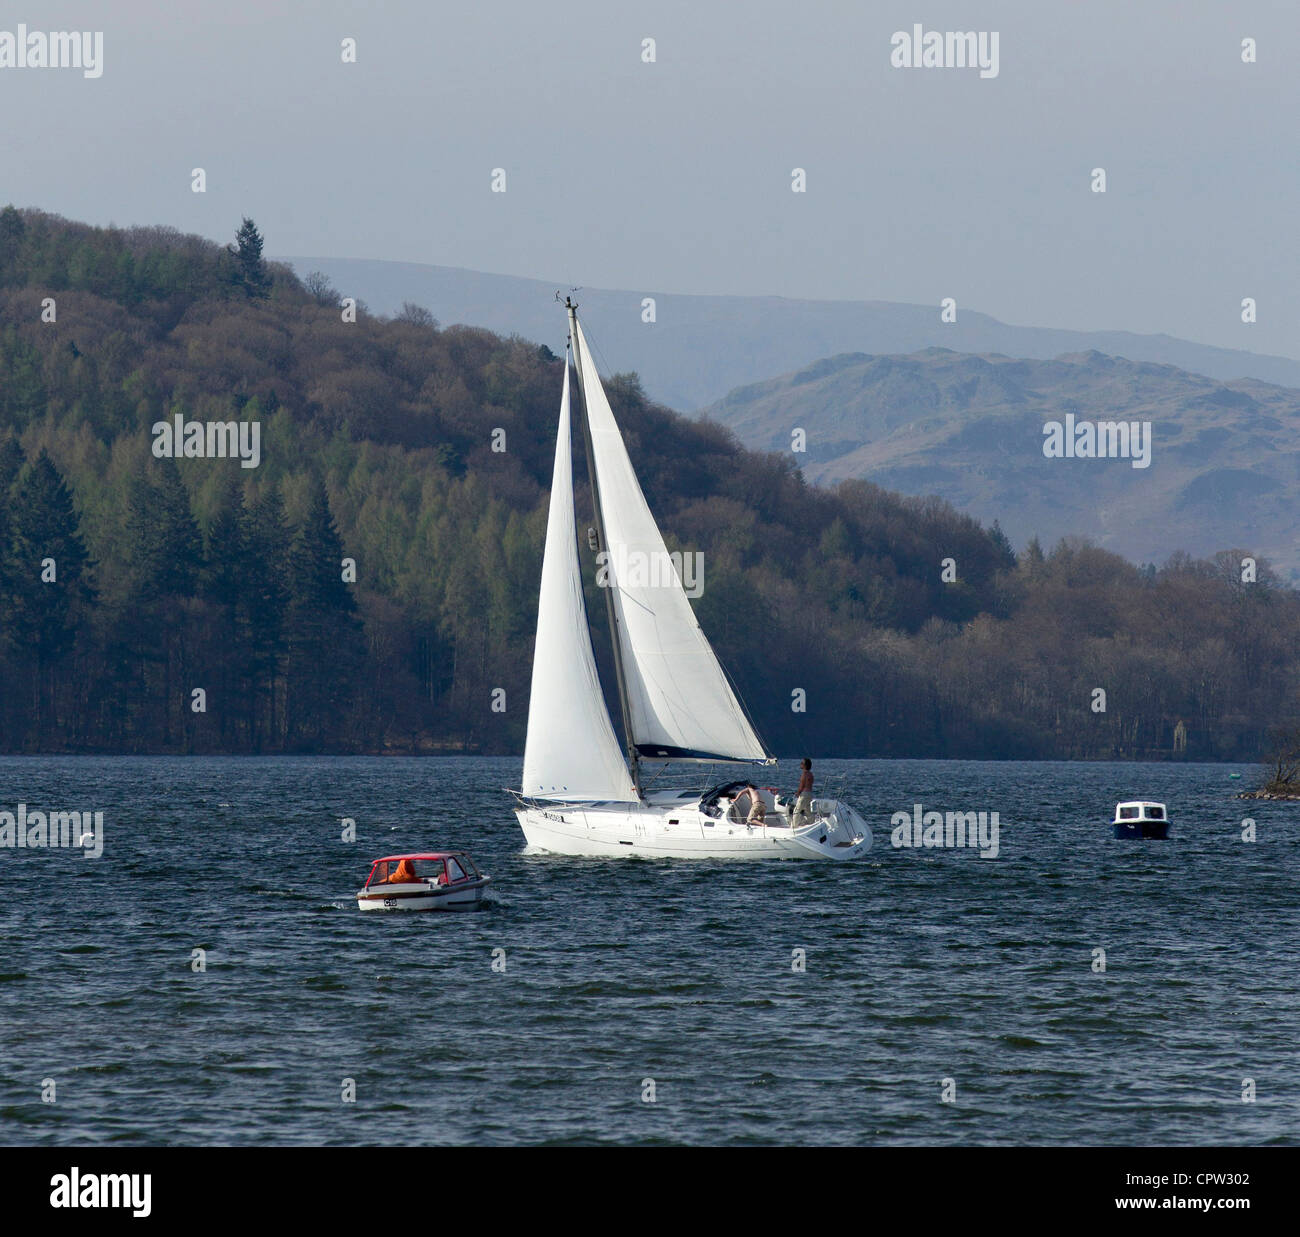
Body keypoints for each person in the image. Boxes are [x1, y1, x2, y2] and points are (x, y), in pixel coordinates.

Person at [791, 759, 814, 829]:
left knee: (797, 810)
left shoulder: (804, 774)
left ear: (805, 765)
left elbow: (802, 786)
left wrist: (798, 793)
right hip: (809, 794)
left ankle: (794, 827)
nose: (800, 764)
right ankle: (812, 823)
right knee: (808, 810)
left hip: (804, 794)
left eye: (802, 763)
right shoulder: (811, 774)